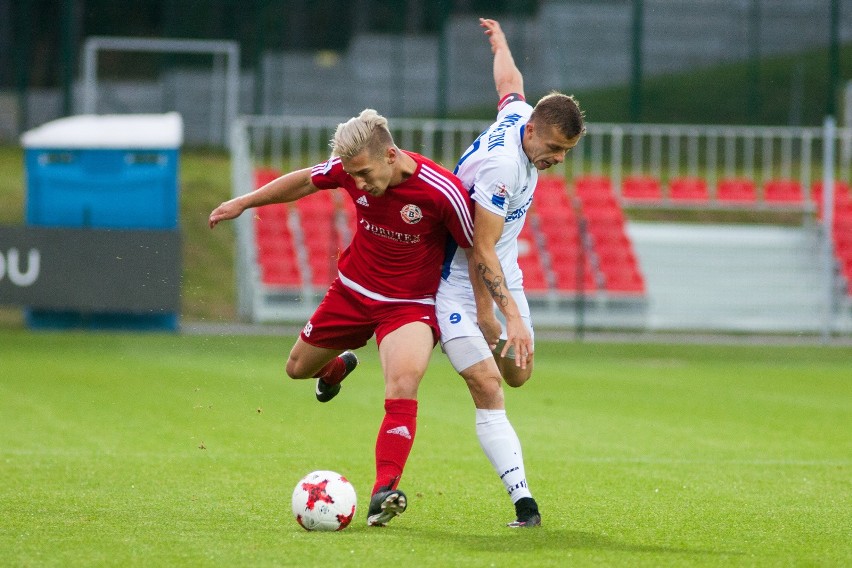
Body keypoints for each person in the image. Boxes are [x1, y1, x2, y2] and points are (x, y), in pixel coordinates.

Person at [209, 109, 475, 527]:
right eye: (353, 176)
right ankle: (334, 370)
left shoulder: (443, 191)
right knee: (296, 369)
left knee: (403, 383)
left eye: (365, 173)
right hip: (352, 292)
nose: (360, 183)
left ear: (391, 154)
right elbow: (301, 181)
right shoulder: (350, 169)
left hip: (408, 305)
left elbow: (475, 250)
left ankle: (384, 491)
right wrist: (243, 202)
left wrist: (492, 313)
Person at [436, 18, 585, 527]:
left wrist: (500, 43)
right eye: (557, 151)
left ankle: (450, 336)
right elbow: (479, 248)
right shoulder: (504, 168)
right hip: (456, 277)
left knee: (518, 374)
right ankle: (525, 502)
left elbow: (509, 82)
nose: (559, 161)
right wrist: (493, 314)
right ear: (538, 133)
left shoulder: (522, 114)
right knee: (488, 385)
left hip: (503, 267)